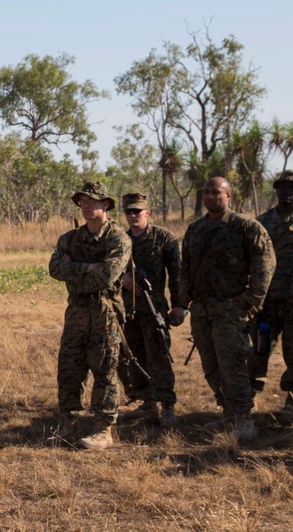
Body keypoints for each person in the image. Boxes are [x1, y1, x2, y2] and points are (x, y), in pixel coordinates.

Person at [180, 176, 275, 441]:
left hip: (230, 311)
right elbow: (184, 264)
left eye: (216, 192)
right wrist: (184, 292)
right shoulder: (195, 229)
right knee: (211, 367)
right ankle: (228, 414)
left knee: (232, 365)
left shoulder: (245, 226)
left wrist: (250, 299)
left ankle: (245, 418)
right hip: (202, 312)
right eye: (207, 192)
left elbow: (265, 264)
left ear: (228, 196)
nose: (211, 197)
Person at [48, 181, 132, 450]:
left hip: (105, 313)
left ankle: (103, 429)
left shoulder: (118, 238)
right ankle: (68, 425)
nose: (86, 205)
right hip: (76, 314)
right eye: (82, 201)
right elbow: (55, 268)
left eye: (92, 201)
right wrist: (90, 267)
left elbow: (108, 275)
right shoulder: (70, 239)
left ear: (105, 204)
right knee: (69, 370)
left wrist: (77, 270)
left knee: (105, 370)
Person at [116, 193, 187, 426]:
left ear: (148, 212)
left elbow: (176, 275)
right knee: (132, 356)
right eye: (129, 211)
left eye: (137, 211)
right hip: (128, 310)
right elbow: (109, 272)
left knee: (159, 355)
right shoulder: (120, 241)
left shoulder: (163, 238)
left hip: (154, 307)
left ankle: (167, 403)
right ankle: (145, 402)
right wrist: (122, 278)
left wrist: (179, 306)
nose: (133, 215)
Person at [249, 171, 293, 422]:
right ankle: (253, 392)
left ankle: (291, 398)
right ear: (276, 191)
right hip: (267, 302)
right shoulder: (262, 223)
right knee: (260, 347)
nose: (288, 192)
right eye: (283, 188)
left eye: (292, 188)